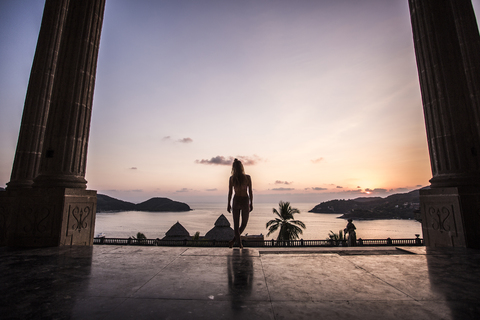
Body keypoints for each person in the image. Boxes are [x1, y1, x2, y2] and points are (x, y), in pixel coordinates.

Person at [227, 159, 253, 248]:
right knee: (241, 224)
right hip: (242, 200)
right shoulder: (236, 178)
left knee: (239, 225)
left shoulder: (245, 178)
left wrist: (228, 204)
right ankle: (239, 244)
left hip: (240, 200)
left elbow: (230, 193)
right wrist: (251, 202)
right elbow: (250, 192)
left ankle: (234, 242)